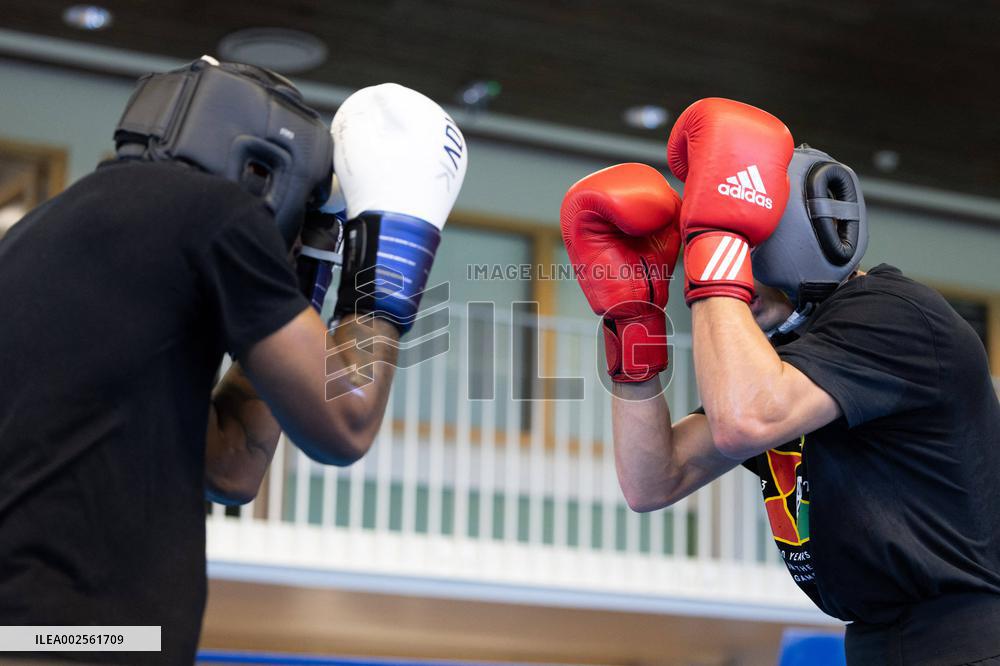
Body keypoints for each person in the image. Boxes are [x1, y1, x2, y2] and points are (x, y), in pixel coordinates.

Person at [0, 57, 467, 664]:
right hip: (85, 633)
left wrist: (303, 278)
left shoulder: (35, 236)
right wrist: (389, 257)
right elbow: (344, 421)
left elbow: (229, 469)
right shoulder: (212, 212)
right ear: (264, 166)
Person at [561, 98, 1000, 665]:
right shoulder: (787, 360)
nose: (729, 276)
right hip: (880, 644)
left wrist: (715, 240)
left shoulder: (896, 316)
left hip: (968, 641)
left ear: (799, 239)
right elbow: (654, 480)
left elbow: (747, 420)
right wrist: (632, 327)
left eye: (742, 245)